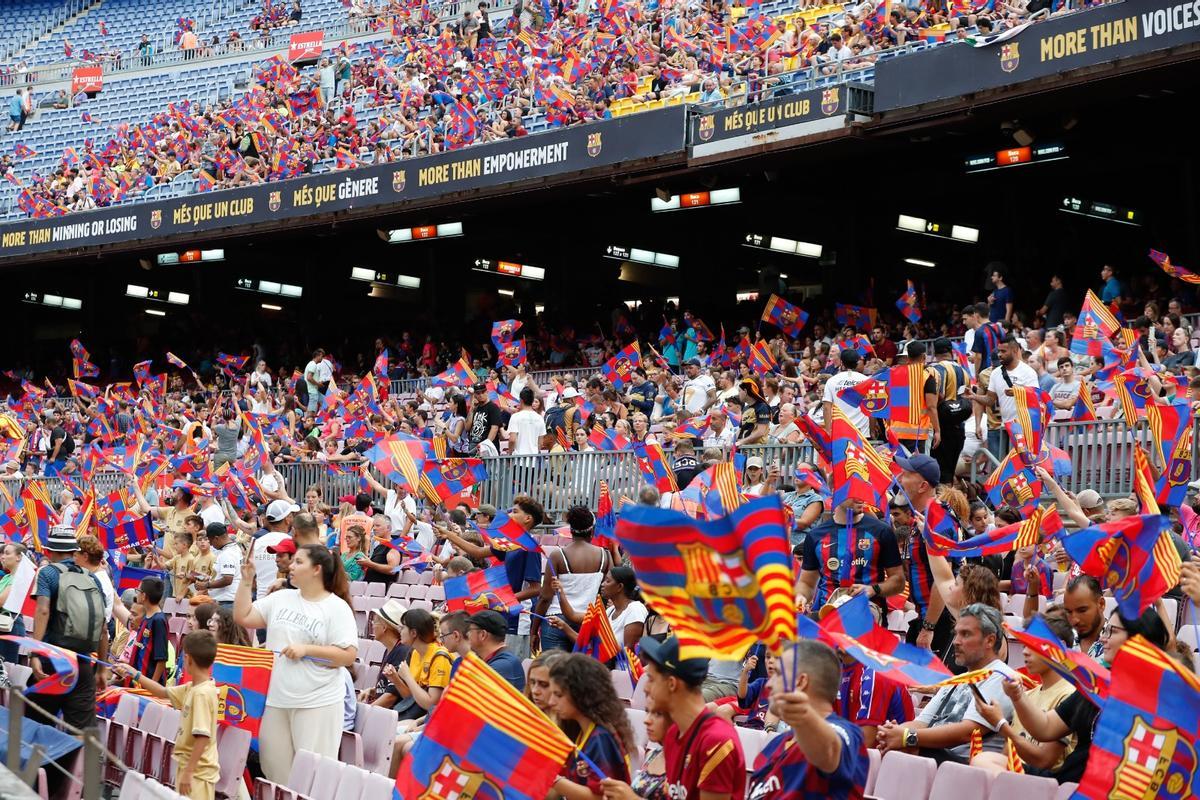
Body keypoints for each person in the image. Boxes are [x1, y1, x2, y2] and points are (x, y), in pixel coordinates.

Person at [1002, 607, 1170, 784]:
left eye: (1112, 631)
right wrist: (1017, 696)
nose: (1103, 638)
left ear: (1138, 639)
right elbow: (1045, 728)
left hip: (1108, 790)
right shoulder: (1096, 684)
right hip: (1066, 783)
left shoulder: (1157, 698)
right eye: (1105, 630)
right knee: (990, 762)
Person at [234, 544, 358, 782]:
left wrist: (306, 650)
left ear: (316, 569)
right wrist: (246, 581)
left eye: (299, 562)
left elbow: (348, 655)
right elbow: (243, 616)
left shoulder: (336, 607)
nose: (291, 566)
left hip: (317, 701)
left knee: (312, 776)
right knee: (275, 772)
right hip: (276, 698)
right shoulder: (281, 598)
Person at [600, 635, 745, 800]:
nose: (646, 688)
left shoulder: (716, 741)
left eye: (652, 680)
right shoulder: (674, 733)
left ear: (672, 684)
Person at [877, 604, 1016, 764]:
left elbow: (968, 732)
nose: (956, 641)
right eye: (956, 634)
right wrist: (892, 733)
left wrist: (906, 737)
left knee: (906, 748)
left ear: (989, 640)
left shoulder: (1001, 676)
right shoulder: (958, 679)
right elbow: (921, 723)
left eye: (965, 634)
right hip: (937, 760)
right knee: (891, 748)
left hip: (967, 766)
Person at [745, 640, 870, 800]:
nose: (769, 684)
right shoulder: (776, 744)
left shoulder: (848, 734)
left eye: (778, 673)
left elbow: (829, 751)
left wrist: (803, 715)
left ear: (801, 682)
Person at [972, 607, 1078, 775]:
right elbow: (1008, 754)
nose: (1025, 652)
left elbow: (1044, 760)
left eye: (1034, 644)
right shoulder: (1027, 695)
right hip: (1018, 776)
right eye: (1024, 645)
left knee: (982, 761)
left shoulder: (1070, 695)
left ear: (1059, 647)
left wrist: (1000, 724)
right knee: (982, 762)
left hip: (1045, 782)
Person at [116, 632, 220, 800]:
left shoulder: (201, 694)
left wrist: (189, 772)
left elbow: (202, 736)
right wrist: (135, 674)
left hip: (198, 774)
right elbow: (162, 692)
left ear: (188, 659)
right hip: (189, 768)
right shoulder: (192, 688)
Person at [436, 500, 543, 659]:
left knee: (510, 666)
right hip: (503, 613)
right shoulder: (510, 543)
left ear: (527, 518)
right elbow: (478, 551)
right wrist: (449, 535)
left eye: (515, 511)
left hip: (519, 617)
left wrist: (504, 601)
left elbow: (536, 588)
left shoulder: (530, 547)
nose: (509, 515)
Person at [26, 526, 108, 731]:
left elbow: (42, 611)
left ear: (49, 551)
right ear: (74, 551)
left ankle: (43, 764)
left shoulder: (47, 573)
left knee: (35, 728)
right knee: (80, 734)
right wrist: (102, 669)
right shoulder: (93, 578)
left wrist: (35, 653)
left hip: (52, 663)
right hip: (83, 665)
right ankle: (78, 765)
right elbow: (103, 628)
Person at [798, 498, 905, 617]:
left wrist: (873, 589)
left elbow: (898, 581)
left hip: (869, 618)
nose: (860, 497)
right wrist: (800, 596)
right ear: (836, 490)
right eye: (854, 491)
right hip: (827, 617)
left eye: (862, 490)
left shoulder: (881, 531)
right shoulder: (815, 535)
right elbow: (806, 583)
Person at [549, 653, 634, 800]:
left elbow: (601, 797)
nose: (551, 701)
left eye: (558, 695)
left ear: (580, 693)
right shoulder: (581, 733)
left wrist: (552, 778)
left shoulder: (601, 737)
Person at [533, 505, 610, 652]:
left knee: (555, 673)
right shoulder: (604, 555)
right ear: (592, 531)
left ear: (570, 530)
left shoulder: (557, 555)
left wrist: (534, 630)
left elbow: (545, 597)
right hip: (587, 621)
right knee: (581, 673)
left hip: (555, 621)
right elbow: (608, 592)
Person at [385, 607, 452, 720]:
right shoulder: (416, 653)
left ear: (413, 633)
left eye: (402, 627)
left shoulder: (439, 657)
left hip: (432, 721)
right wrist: (395, 679)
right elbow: (412, 699)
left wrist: (407, 677)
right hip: (418, 717)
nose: (399, 630)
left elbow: (431, 705)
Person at [364, 599, 411, 707]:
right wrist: (372, 691)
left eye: (375, 622)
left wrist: (367, 711)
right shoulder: (390, 649)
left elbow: (391, 696)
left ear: (384, 628)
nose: (372, 625)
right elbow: (387, 687)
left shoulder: (402, 651)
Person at [126, 576, 170, 685]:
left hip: (148, 684)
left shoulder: (158, 620)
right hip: (138, 681)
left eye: (138, 591)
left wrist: (152, 684)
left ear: (144, 596)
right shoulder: (146, 616)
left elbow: (162, 658)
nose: (137, 594)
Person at [467, 609, 525, 690]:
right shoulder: (497, 659)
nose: (467, 635)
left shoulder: (501, 666)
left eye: (469, 631)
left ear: (482, 635)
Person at [823, 349, 870, 438]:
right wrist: (872, 430)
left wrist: (828, 431)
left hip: (840, 433)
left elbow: (826, 407)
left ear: (841, 362)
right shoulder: (866, 380)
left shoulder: (832, 381)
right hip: (862, 433)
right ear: (857, 362)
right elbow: (872, 407)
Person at [194, 523, 241, 608]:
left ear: (216, 538)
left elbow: (228, 579)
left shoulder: (227, 554)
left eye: (210, 541)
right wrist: (210, 578)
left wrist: (205, 585)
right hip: (229, 600)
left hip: (227, 601)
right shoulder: (234, 548)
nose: (211, 545)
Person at [1062, 575, 1106, 659]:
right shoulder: (1065, 641)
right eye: (1068, 612)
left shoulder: (1118, 644)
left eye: (1082, 610)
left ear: (1101, 604)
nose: (1074, 621)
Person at [603, 566, 647, 650]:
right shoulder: (610, 611)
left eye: (607, 581)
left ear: (620, 586)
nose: (603, 584)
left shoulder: (635, 609)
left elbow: (628, 651)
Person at [505, 387, 546, 455]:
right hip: (533, 459)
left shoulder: (515, 416)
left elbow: (512, 439)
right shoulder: (540, 418)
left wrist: (510, 453)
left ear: (521, 400)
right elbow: (540, 442)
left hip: (518, 460)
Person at [526, 650, 568, 714]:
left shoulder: (581, 722)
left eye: (544, 685)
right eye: (532, 682)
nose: (535, 691)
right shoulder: (521, 714)